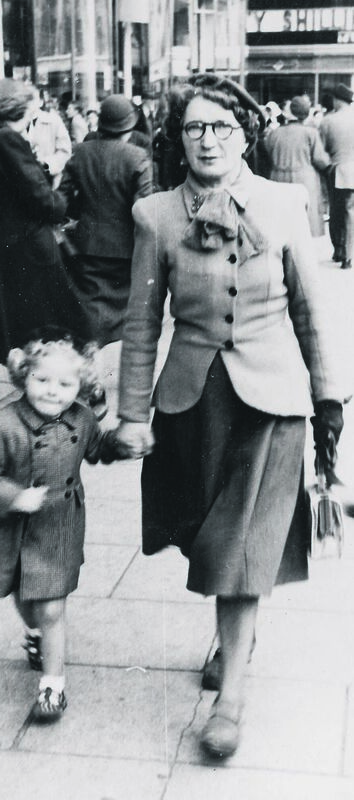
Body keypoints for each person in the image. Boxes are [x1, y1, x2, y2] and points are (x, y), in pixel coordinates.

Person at [115, 73, 344, 758]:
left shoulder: (283, 202)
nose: (209, 139)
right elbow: (138, 323)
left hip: (271, 404)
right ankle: (231, 634)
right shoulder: (156, 215)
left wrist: (329, 396)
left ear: (246, 133)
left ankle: (231, 697)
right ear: (177, 138)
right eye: (195, 128)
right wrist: (132, 414)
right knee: (203, 540)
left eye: (222, 126)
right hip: (193, 403)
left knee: (241, 552)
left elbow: (311, 308)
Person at [0, 331, 128, 721]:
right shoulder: (2, 423)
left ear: (81, 387)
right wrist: (13, 496)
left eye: (65, 384)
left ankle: (52, 688)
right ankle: (36, 635)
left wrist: (120, 444)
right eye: (42, 380)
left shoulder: (82, 418)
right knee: (23, 595)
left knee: (52, 606)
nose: (53, 391)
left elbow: (96, 448)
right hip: (11, 529)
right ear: (24, 377)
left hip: (57, 526)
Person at [0, 78, 92, 433]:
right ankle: (48, 407)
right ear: (20, 107)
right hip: (23, 248)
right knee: (47, 326)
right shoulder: (8, 140)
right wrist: (61, 196)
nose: (38, 108)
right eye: (34, 103)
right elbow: (43, 200)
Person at [59, 94, 154, 347]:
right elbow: (144, 208)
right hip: (125, 248)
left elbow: (62, 198)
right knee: (121, 318)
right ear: (129, 127)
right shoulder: (138, 157)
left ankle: (90, 369)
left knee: (88, 313)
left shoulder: (80, 152)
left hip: (86, 245)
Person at [264, 95, 330, 237]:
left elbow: (267, 153)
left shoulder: (275, 133)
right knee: (304, 222)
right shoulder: (310, 133)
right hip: (305, 179)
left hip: (278, 178)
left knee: (282, 222)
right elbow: (320, 160)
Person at [319, 83, 354, 269]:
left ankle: (339, 250)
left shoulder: (328, 121)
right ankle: (349, 254)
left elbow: (321, 149)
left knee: (336, 210)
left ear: (337, 100)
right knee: (350, 212)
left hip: (336, 169)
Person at [26, 86, 72, 189]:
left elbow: (65, 151)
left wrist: (46, 165)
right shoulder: (16, 124)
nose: (28, 103)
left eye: (32, 99)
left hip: (47, 182)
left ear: (40, 102)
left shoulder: (53, 121)